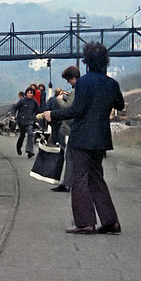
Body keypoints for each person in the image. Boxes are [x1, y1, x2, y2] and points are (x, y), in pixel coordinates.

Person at [44, 43, 124, 235]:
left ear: (87, 61)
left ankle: (85, 223)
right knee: (97, 178)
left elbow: (77, 110)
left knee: (80, 178)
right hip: (101, 137)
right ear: (105, 61)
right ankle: (111, 221)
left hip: (81, 138)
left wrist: (52, 115)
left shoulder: (83, 82)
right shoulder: (112, 84)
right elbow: (119, 105)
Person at [50, 65, 80, 193]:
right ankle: (69, 183)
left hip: (73, 128)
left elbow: (68, 108)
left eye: (68, 80)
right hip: (79, 129)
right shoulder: (81, 89)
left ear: (73, 78)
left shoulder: (75, 90)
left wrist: (60, 100)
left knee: (69, 156)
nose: (68, 82)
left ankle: (67, 184)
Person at [11, 87, 40, 158]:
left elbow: (37, 112)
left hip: (30, 120)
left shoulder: (34, 102)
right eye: (28, 93)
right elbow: (14, 107)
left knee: (30, 134)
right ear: (26, 93)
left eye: (31, 93)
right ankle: (19, 147)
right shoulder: (22, 101)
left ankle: (30, 151)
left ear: (33, 94)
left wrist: (36, 121)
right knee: (22, 135)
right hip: (21, 120)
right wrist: (13, 115)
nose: (29, 94)